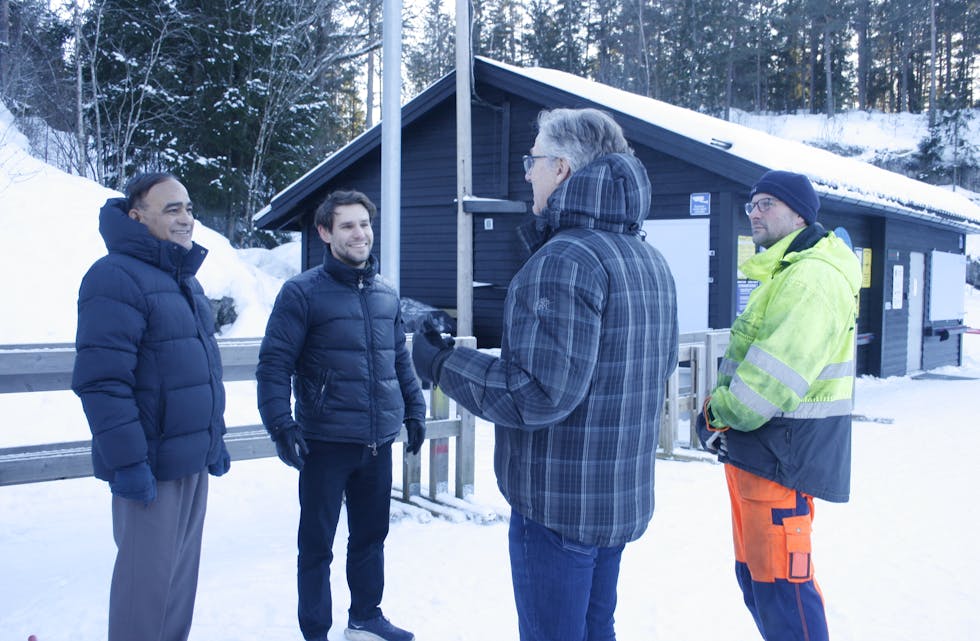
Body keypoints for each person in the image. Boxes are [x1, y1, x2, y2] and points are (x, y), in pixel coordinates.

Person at [412, 107, 678, 641]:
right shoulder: (648, 259)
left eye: (532, 160)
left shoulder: (566, 259)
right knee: (596, 630)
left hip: (559, 505)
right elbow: (658, 369)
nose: (527, 172)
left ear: (561, 169)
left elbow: (534, 394)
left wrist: (441, 362)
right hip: (615, 497)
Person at [697, 170, 862, 641]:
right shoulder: (787, 271)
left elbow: (770, 381)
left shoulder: (811, 278)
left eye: (767, 203)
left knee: (784, 593)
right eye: (752, 205)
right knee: (760, 585)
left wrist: (716, 413)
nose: (754, 213)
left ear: (799, 214)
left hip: (780, 460)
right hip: (761, 456)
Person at [256, 189, 427, 641]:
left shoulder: (385, 293)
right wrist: (280, 424)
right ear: (325, 233)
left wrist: (415, 409)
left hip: (377, 441)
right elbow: (274, 363)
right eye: (347, 225)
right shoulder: (301, 293)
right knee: (316, 546)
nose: (359, 234)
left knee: (371, 537)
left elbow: (399, 359)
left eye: (364, 224)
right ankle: (316, 631)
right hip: (325, 441)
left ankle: (365, 617)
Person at [72, 172, 231, 641]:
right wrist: (128, 464)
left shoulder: (182, 279)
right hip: (149, 466)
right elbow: (103, 382)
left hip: (190, 459)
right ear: (137, 216)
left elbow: (201, 368)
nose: (186, 219)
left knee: (178, 587)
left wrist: (213, 440)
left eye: (189, 208)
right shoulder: (114, 277)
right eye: (172, 209)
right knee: (144, 592)